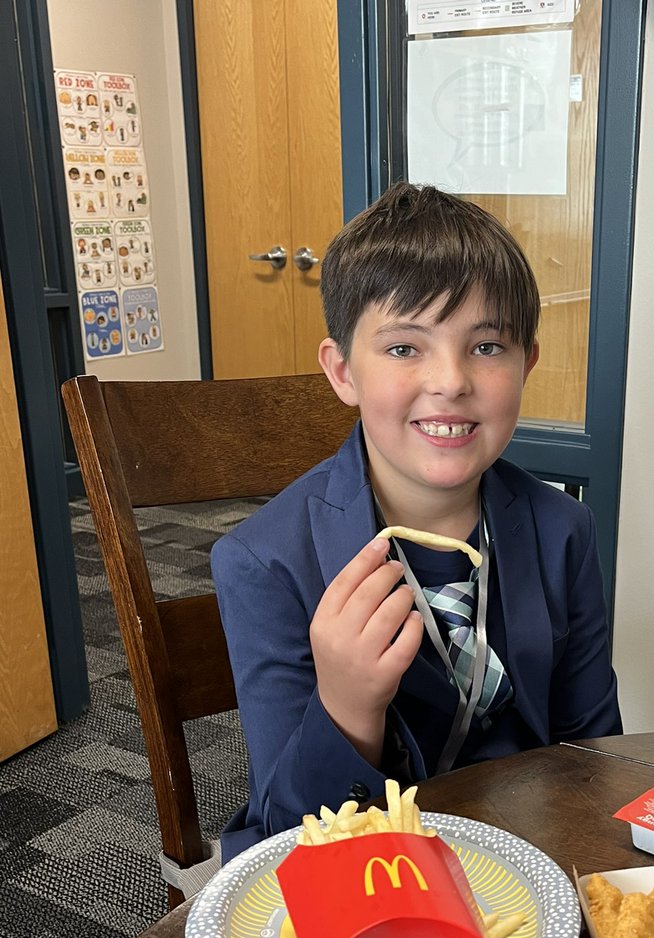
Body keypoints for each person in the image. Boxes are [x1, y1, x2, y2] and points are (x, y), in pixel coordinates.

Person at [212, 182, 622, 861]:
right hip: (361, 878)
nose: (451, 380)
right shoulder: (265, 562)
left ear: (528, 365)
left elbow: (591, 752)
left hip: (525, 860)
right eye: (405, 348)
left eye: (487, 346)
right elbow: (287, 838)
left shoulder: (562, 529)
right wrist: (346, 707)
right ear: (343, 371)